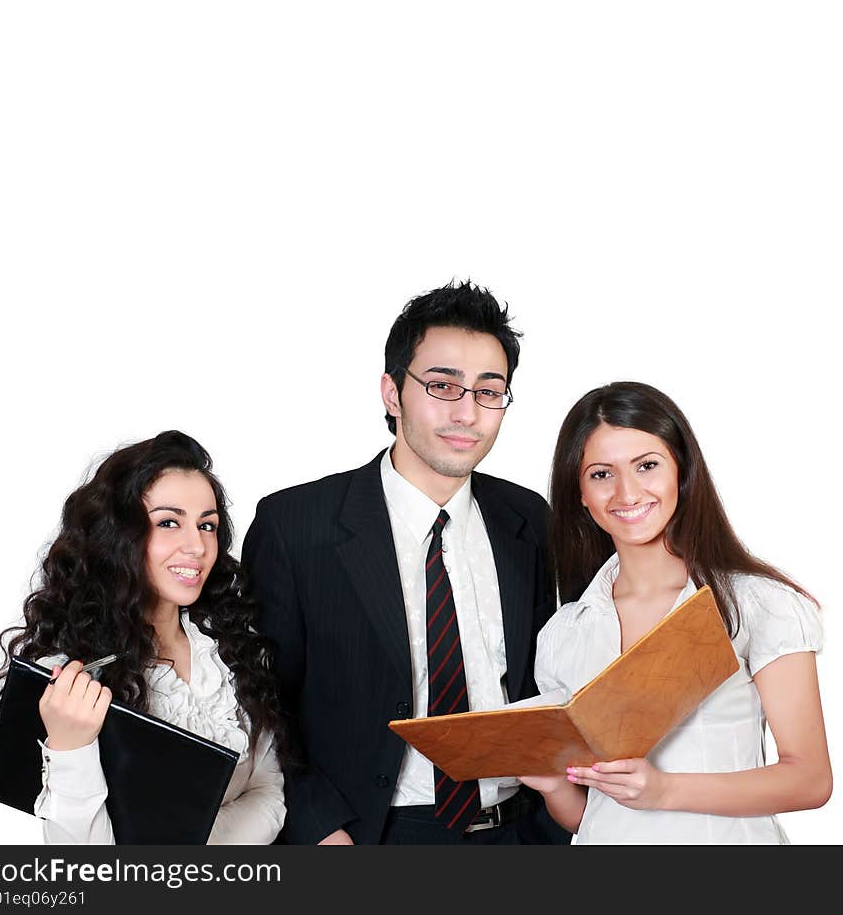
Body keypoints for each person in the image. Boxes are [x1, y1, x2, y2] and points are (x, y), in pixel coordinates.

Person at [241, 280, 570, 845]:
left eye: (489, 391)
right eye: (442, 385)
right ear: (392, 394)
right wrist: (322, 827)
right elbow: (263, 703)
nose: (467, 412)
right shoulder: (297, 525)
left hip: (521, 830)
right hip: (373, 835)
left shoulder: (527, 519)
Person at [519, 381, 832, 844]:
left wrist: (665, 790)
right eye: (601, 474)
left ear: (681, 473)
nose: (627, 492)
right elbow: (591, 817)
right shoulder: (565, 633)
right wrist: (553, 788)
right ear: (580, 494)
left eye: (646, 466)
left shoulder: (756, 604)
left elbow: (810, 780)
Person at [0, 430, 287, 844]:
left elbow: (269, 793)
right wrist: (69, 748)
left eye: (207, 525)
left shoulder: (230, 650)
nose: (198, 546)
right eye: (169, 522)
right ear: (118, 536)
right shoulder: (68, 679)